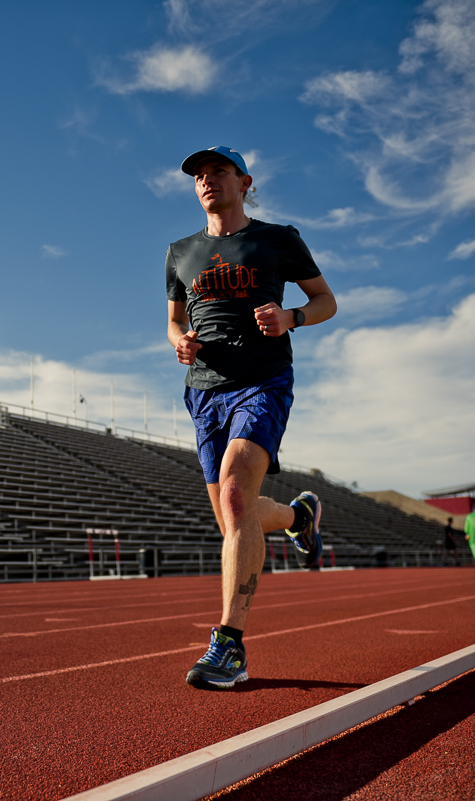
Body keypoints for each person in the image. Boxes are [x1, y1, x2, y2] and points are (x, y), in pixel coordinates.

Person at [166, 146, 337, 689]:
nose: (206, 181)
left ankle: (229, 647)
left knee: (237, 499)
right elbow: (173, 321)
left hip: (262, 380)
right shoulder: (179, 252)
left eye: (218, 171)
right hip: (203, 392)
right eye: (199, 175)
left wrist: (292, 316)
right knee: (232, 520)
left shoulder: (277, 239)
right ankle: (298, 518)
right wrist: (181, 344)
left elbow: (326, 300)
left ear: (245, 182)